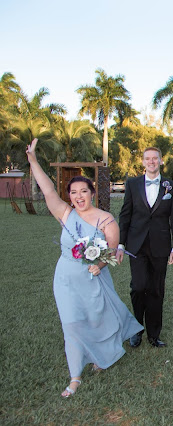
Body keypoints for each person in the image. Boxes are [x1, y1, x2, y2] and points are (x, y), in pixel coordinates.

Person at [25, 139, 143, 398]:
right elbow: (47, 192)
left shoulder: (106, 220)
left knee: (97, 319)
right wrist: (33, 160)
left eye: (83, 192)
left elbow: (112, 253)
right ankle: (75, 375)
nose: (78, 197)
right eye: (73, 193)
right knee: (71, 323)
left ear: (92, 193)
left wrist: (99, 265)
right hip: (66, 277)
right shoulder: (66, 214)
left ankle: (102, 355)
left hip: (92, 278)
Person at [116, 147, 173, 348]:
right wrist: (120, 244)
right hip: (136, 245)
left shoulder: (171, 186)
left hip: (161, 247)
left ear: (161, 161)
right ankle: (136, 330)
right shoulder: (133, 184)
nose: (152, 161)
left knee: (156, 290)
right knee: (138, 287)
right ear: (143, 162)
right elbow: (125, 215)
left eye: (155, 158)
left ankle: (154, 334)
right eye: (148, 159)